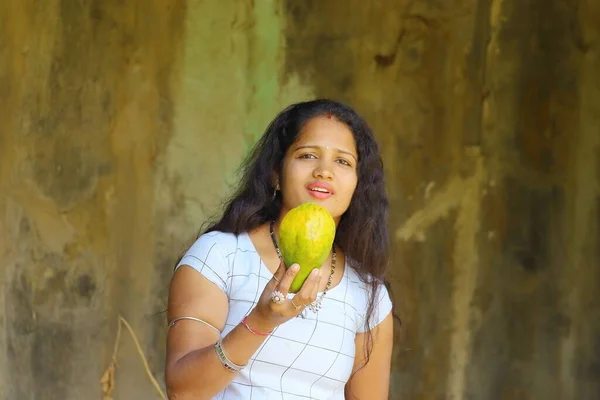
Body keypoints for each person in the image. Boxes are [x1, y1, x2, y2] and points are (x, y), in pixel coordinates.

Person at [165, 99, 396, 400]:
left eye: (343, 161)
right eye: (308, 155)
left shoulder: (369, 296)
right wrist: (260, 321)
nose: (324, 171)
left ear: (357, 185)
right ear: (276, 173)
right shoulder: (219, 256)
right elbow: (183, 391)